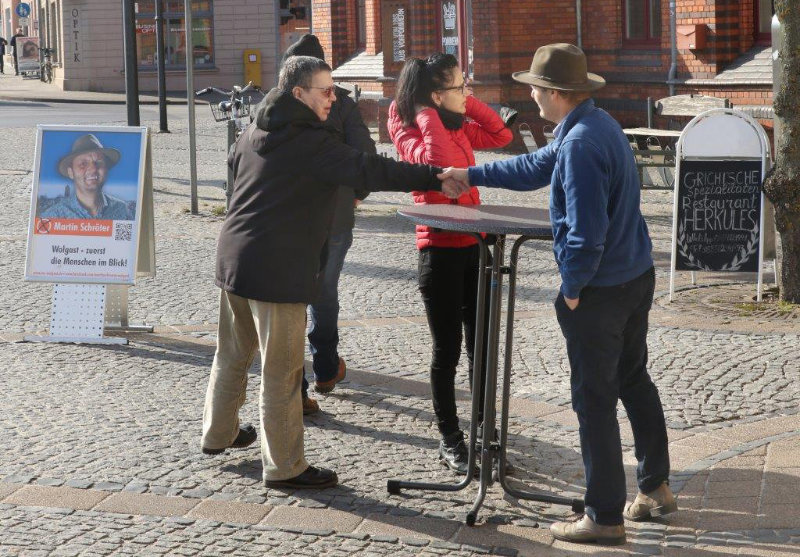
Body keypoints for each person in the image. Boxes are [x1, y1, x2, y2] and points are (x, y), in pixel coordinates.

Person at [439, 43, 675, 545]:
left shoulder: (582, 145)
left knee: (594, 402)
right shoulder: (594, 125)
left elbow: (585, 234)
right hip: (634, 278)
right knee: (633, 380)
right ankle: (655, 487)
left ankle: (604, 516)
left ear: (557, 94)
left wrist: (571, 290)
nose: (530, 94)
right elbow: (533, 167)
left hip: (602, 290)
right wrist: (472, 173)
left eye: (536, 88)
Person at [200, 55, 467, 490]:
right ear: (298, 94)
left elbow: (233, 177)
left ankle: (218, 433)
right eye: (325, 90)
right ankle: (285, 466)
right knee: (282, 371)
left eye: (335, 89)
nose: (334, 97)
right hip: (277, 270)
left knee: (233, 351)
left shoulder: (257, 126)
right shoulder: (307, 140)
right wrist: (436, 178)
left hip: (236, 257)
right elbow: (369, 168)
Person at [387, 53, 512, 474]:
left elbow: (500, 135)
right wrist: (425, 112)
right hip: (438, 250)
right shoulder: (409, 130)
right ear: (436, 96)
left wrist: (467, 102)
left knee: (481, 348)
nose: (468, 90)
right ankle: (450, 438)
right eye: (460, 86)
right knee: (448, 351)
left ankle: (483, 433)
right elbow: (438, 160)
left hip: (476, 245)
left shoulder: (458, 122)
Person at [279, 34, 377, 416]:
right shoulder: (344, 106)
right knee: (324, 291)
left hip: (291, 219)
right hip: (335, 215)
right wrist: (357, 193)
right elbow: (365, 156)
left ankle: (298, 387)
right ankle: (324, 367)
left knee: (293, 298)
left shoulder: (276, 105)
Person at [41, 134, 135, 220]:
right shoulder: (53, 216)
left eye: (98, 162)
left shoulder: (123, 211)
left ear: (106, 169)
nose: (93, 169)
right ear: (71, 172)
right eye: (83, 164)